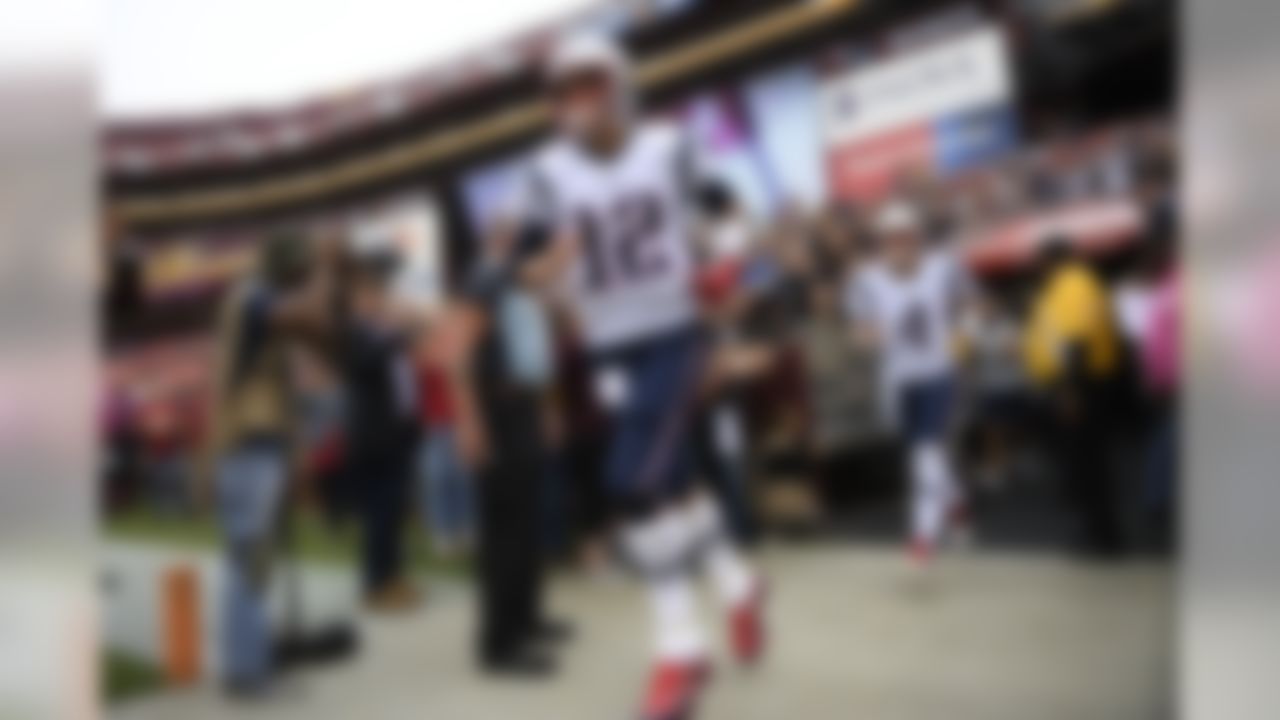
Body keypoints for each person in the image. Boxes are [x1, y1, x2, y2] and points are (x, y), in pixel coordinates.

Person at [505, 33, 766, 719]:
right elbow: (527, 267)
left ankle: (681, 649)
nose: (577, 101)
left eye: (590, 83)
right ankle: (738, 585)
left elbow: (728, 212)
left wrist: (728, 266)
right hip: (608, 345)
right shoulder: (545, 171)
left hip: (676, 329)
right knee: (672, 482)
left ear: (619, 85)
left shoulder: (669, 145)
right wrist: (542, 272)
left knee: (631, 481)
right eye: (564, 90)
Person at [204, 232, 328, 698]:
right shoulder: (254, 297)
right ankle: (247, 673)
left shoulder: (252, 297)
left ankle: (249, 662)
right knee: (249, 562)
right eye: (297, 273)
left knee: (249, 561)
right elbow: (303, 315)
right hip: (250, 443)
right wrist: (323, 273)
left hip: (252, 443)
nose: (300, 282)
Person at [846, 200, 976, 569]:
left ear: (919, 239)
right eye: (892, 240)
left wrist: (966, 327)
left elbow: (970, 301)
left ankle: (923, 535)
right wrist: (870, 337)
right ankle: (957, 504)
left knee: (926, 453)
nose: (901, 247)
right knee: (925, 452)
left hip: (939, 372)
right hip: (899, 381)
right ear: (882, 244)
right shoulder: (866, 280)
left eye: (907, 239)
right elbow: (859, 330)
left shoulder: (944, 266)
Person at [1023, 235, 1125, 556]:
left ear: (1051, 260)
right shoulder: (1065, 287)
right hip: (1075, 385)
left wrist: (1070, 392)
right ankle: (1095, 532)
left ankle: (1100, 537)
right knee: (1083, 464)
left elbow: (1075, 343)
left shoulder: (1074, 285)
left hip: (1079, 385)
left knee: (1086, 465)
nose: (1036, 269)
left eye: (1039, 261)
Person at [338, 246, 423, 610]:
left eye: (379, 294)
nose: (378, 300)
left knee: (393, 510)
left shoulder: (380, 331)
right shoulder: (354, 332)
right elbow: (367, 362)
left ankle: (392, 576)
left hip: (397, 432)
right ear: (358, 299)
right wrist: (398, 333)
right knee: (380, 512)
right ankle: (376, 581)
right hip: (374, 436)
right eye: (372, 295)